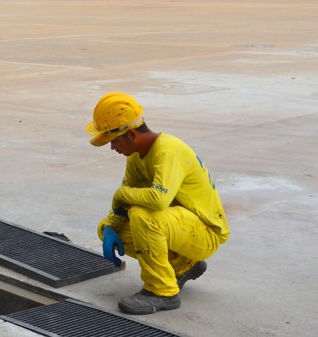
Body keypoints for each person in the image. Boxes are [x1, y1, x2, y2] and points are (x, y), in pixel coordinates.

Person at [87, 93, 230, 315]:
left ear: (131, 134)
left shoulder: (168, 150)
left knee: (143, 217)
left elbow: (158, 199)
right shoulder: (136, 156)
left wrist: (121, 194)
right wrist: (109, 227)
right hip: (179, 226)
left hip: (206, 232)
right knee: (111, 227)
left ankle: (162, 292)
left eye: (113, 140)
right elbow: (125, 204)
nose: (112, 148)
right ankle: (184, 266)